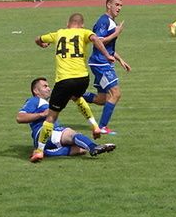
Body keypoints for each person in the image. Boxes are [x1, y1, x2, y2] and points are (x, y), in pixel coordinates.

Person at [31, 12, 115, 163]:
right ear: (81, 25)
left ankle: (39, 151)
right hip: (82, 78)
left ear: (67, 23)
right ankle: (95, 126)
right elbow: (95, 38)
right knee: (77, 97)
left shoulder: (58, 33)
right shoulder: (84, 32)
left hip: (64, 80)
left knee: (51, 117)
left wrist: (42, 44)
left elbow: (38, 39)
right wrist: (107, 56)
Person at [17, 77, 116, 159]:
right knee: (71, 133)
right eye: (45, 86)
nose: (48, 88)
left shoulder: (49, 102)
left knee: (81, 149)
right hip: (44, 133)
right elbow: (20, 117)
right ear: (36, 91)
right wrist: (41, 114)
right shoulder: (35, 100)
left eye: (48, 86)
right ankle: (94, 147)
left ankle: (47, 152)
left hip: (50, 137)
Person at [83, 0, 131, 135]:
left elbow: (108, 48)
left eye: (121, 5)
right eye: (117, 5)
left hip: (101, 62)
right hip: (100, 63)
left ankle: (75, 93)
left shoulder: (109, 22)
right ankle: (102, 127)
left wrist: (120, 59)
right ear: (108, 5)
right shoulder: (105, 21)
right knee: (116, 93)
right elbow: (98, 42)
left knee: (102, 99)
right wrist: (116, 33)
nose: (119, 8)